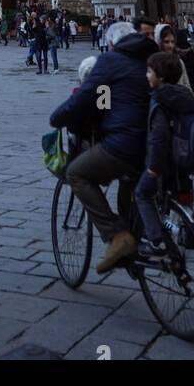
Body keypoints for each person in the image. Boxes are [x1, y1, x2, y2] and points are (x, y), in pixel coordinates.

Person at [49, 21, 156, 272]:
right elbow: (105, 100)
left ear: (110, 43)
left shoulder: (110, 61)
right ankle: (136, 242)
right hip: (159, 146)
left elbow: (87, 99)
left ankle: (118, 235)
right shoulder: (154, 59)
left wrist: (58, 118)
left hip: (126, 144)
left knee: (76, 173)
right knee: (130, 186)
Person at [134, 51, 194, 258]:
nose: (146, 75)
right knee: (182, 195)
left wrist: (153, 167)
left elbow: (158, 138)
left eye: (149, 72)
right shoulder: (185, 96)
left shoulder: (159, 100)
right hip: (186, 160)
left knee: (142, 193)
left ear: (159, 77)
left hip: (164, 163)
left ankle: (155, 240)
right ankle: (188, 227)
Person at [156, 24, 194, 95]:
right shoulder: (154, 64)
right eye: (166, 42)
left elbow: (186, 86)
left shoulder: (178, 61)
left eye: (172, 42)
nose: (170, 45)